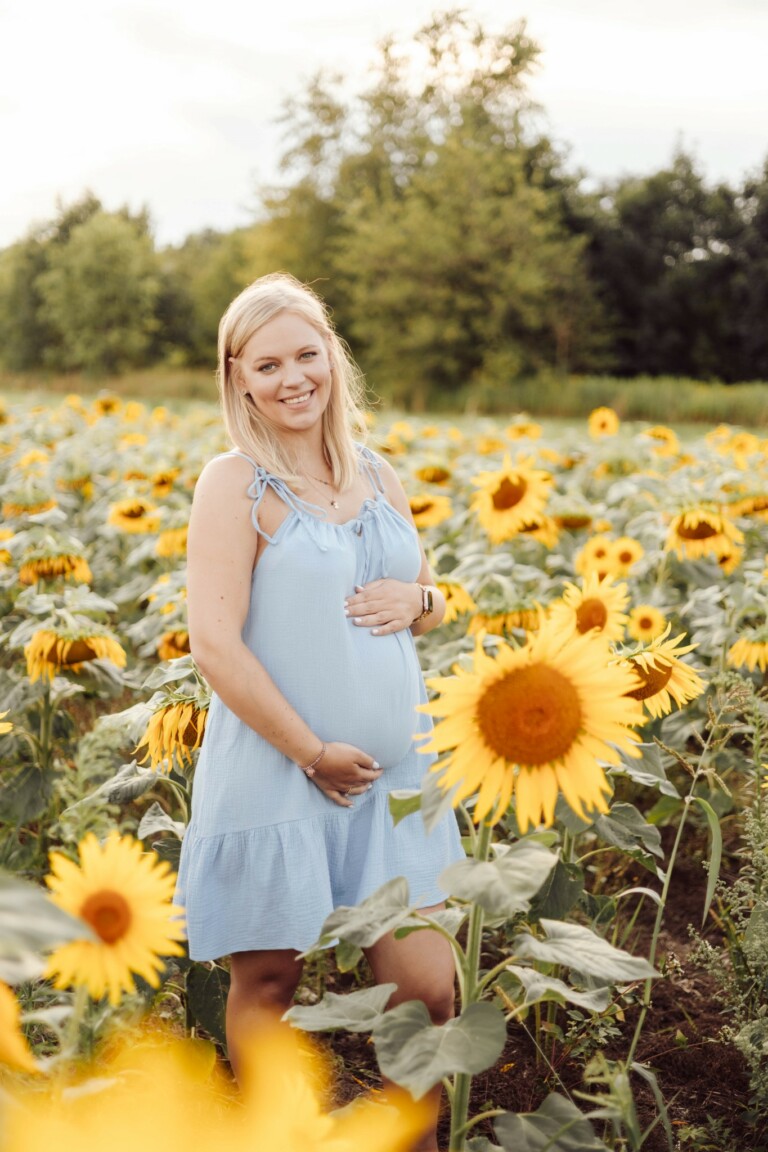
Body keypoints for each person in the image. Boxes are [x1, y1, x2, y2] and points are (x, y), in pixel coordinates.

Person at [175, 272, 465, 1151]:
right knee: (267, 984)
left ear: (332, 358)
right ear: (239, 377)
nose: (294, 377)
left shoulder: (377, 475)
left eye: (309, 354)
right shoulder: (236, 483)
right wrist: (310, 751)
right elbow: (213, 642)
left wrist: (428, 602)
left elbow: (425, 595)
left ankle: (409, 1142)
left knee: (431, 993)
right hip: (281, 769)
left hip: (395, 781)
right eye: (270, 364)